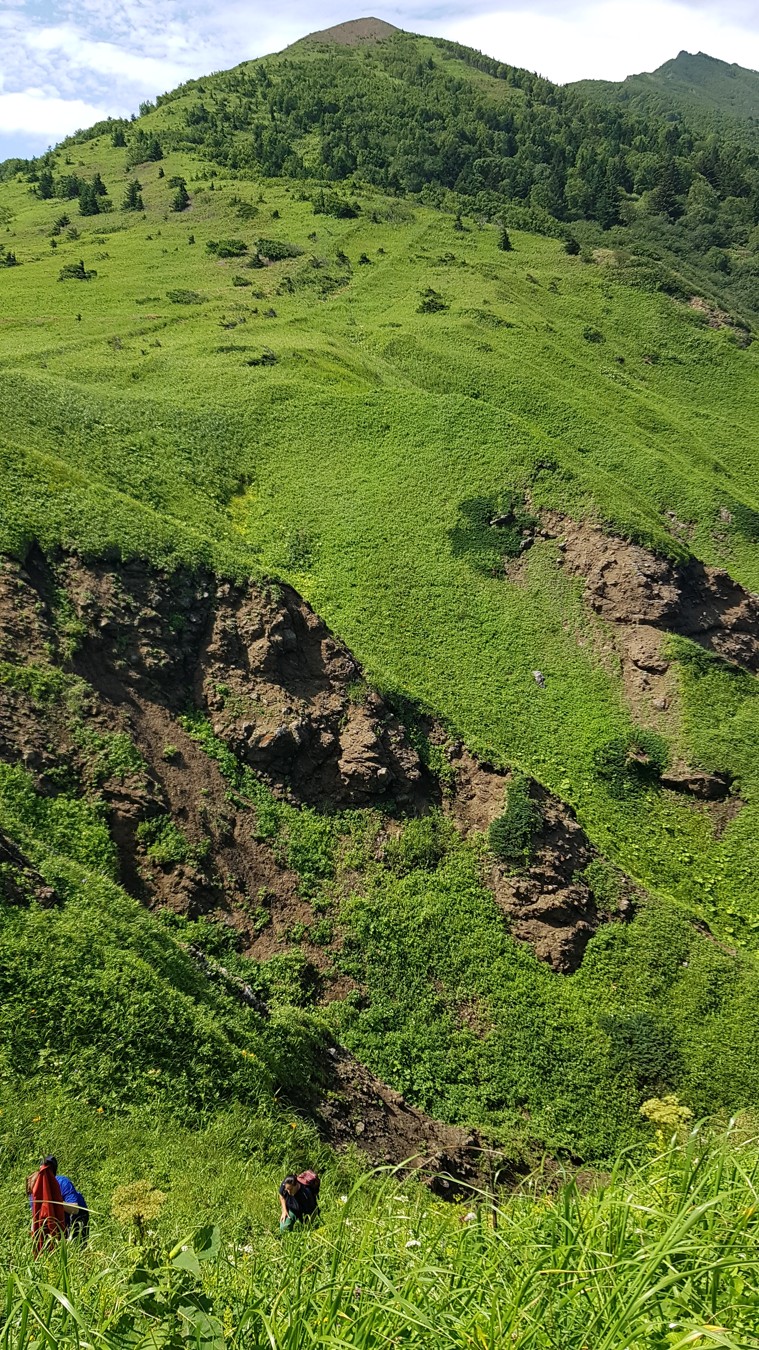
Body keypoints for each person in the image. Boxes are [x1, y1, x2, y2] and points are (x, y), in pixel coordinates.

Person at [27, 1156, 89, 1247]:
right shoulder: (36, 1187)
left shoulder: (63, 1183)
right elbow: (36, 1215)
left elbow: (75, 1209)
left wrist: (54, 1201)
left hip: (77, 1214)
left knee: (77, 1245)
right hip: (55, 1216)